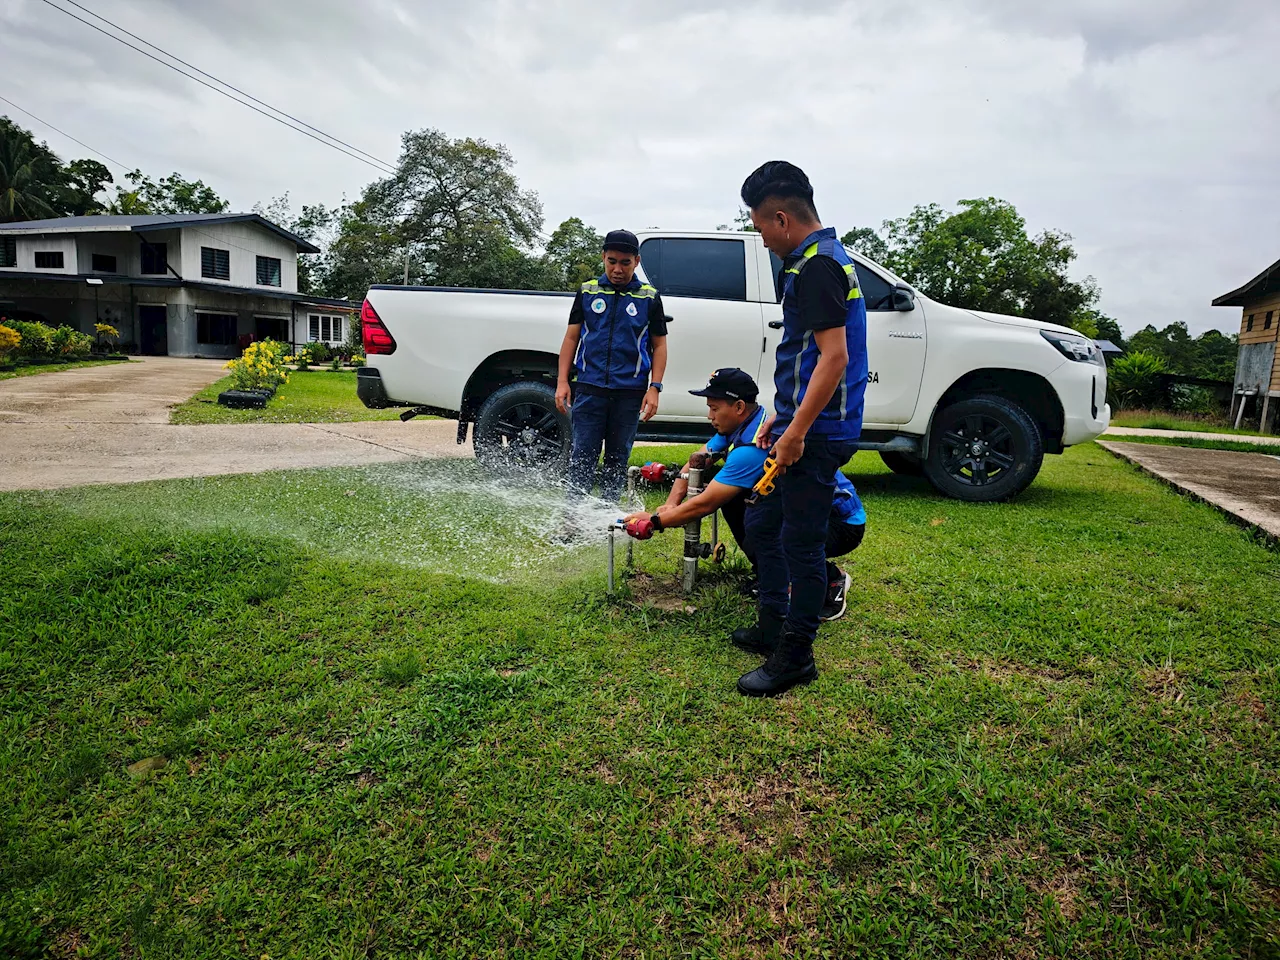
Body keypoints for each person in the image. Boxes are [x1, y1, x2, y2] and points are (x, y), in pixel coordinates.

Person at [733, 160, 869, 697]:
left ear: (783, 219)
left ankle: (797, 656)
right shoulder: (814, 261)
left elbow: (833, 359)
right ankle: (772, 625)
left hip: (820, 434)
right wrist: (779, 421)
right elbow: (803, 358)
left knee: (803, 545)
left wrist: (795, 434)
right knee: (764, 524)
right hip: (802, 425)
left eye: (761, 226)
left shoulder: (817, 266)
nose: (762, 239)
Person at [621, 367, 865, 623]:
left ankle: (831, 580)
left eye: (715, 408)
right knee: (740, 504)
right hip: (811, 511)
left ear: (738, 407)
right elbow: (696, 463)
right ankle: (770, 574)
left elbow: (704, 504)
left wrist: (654, 521)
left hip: (842, 523)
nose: (709, 415)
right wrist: (671, 502)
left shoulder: (753, 446)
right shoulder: (746, 424)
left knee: (759, 520)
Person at [555, 230, 668, 503]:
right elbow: (571, 337)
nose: (618, 269)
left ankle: (607, 517)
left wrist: (654, 387)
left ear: (637, 261)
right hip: (590, 388)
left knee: (617, 458)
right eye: (612, 261)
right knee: (583, 455)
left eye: (625, 263)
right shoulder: (587, 291)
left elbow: (660, 346)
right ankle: (573, 516)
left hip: (629, 392)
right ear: (603, 258)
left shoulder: (649, 297)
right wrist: (562, 381)